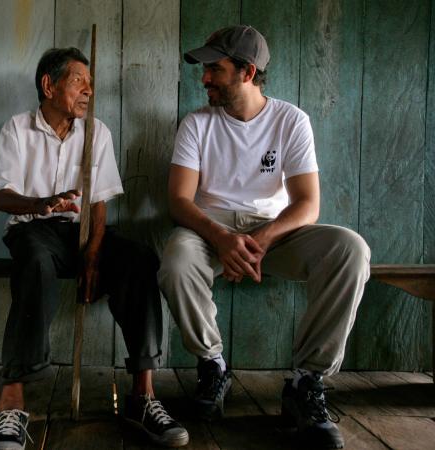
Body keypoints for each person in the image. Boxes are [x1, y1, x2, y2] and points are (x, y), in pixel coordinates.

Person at [157, 26, 370, 449]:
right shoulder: (197, 124)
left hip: (272, 235)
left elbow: (308, 204)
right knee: (176, 259)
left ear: (247, 72)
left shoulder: (291, 120)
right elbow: (180, 201)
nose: (204, 79)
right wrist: (220, 237)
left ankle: (306, 383)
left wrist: (263, 240)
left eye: (214, 69)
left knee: (351, 249)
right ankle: (212, 365)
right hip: (210, 231)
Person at [0, 47, 189, 450]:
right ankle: (12, 403)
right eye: (79, 80)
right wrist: (39, 204)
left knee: (138, 260)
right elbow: (0, 195)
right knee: (35, 261)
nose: (88, 91)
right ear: (49, 85)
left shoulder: (97, 132)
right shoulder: (17, 128)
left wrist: (93, 255)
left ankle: (143, 396)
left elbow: (99, 202)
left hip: (83, 231)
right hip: (33, 230)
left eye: (90, 83)